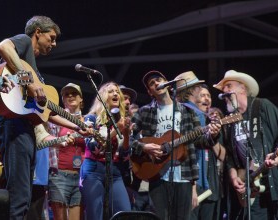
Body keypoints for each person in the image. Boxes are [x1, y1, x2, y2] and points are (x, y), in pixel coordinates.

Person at [0, 16, 91, 219]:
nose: (54, 44)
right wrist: (29, 82)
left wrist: (76, 126)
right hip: (13, 125)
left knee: (23, 195)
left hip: (24, 128)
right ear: (38, 32)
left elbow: (48, 112)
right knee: (19, 196)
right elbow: (3, 46)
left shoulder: (35, 69)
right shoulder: (25, 41)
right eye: (52, 37)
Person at [130, 70, 221, 220]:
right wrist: (144, 147)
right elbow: (127, 141)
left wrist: (213, 134)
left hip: (184, 174)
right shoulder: (144, 112)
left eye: (159, 79)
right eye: (151, 84)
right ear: (149, 92)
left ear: (168, 84)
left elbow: (200, 141)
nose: (156, 83)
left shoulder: (188, 111)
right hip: (156, 173)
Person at [213, 70, 278, 219]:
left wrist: (277, 158)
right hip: (253, 186)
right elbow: (231, 156)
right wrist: (233, 177)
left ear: (242, 88)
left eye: (229, 86)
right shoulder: (230, 121)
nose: (224, 92)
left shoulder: (262, 106)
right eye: (223, 89)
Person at [173, 71, 225, 220]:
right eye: (197, 88)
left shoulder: (176, 110)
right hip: (191, 182)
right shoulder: (194, 113)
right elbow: (190, 152)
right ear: (192, 90)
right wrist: (193, 186)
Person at [80, 82, 132, 219]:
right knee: (95, 215)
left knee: (124, 213)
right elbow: (94, 147)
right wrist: (116, 130)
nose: (115, 94)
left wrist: (126, 134)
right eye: (110, 92)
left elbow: (124, 154)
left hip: (114, 171)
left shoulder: (121, 120)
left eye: (117, 92)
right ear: (103, 97)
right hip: (93, 170)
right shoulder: (91, 118)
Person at [48, 83, 86, 220]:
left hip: (80, 178)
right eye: (66, 94)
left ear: (81, 99)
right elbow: (48, 140)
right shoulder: (57, 119)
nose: (70, 96)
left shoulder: (88, 121)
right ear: (63, 100)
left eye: (74, 93)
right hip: (59, 176)